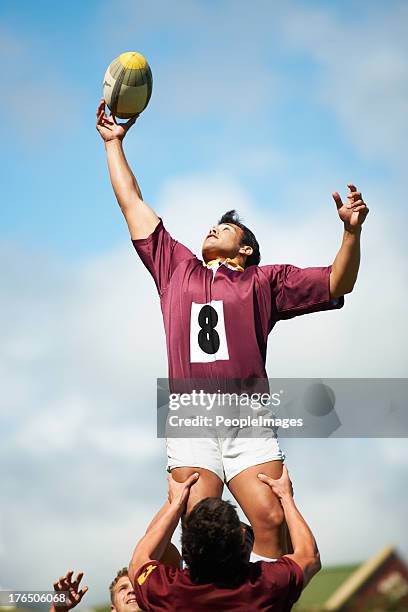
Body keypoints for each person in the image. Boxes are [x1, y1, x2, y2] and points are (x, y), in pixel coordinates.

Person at [96, 100, 369, 560]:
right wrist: (113, 145)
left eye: (223, 228)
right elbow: (133, 203)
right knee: (198, 527)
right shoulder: (175, 267)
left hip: (248, 416)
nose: (210, 229)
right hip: (191, 414)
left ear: (245, 250)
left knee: (272, 519)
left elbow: (338, 282)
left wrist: (351, 235)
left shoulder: (266, 282)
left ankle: (258, 602)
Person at [129, 467, 320, 611]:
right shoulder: (267, 585)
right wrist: (286, 497)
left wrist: (176, 504)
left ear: (185, 545)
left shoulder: (168, 592)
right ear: (243, 538)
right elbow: (309, 557)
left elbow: (139, 560)